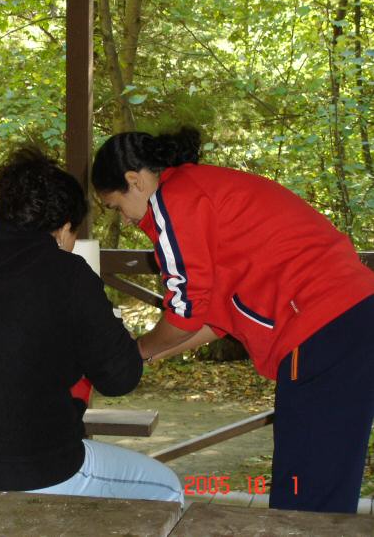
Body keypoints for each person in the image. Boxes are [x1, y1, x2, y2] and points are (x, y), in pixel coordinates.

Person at [92, 127, 374, 514]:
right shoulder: (202, 189)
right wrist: (146, 356)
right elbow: (212, 318)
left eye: (115, 207)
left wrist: (136, 349)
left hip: (319, 327)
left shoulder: (174, 201)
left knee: (304, 492)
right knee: (326, 481)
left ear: (134, 181)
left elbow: (186, 311)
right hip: (353, 318)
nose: (124, 220)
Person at [0, 147, 183, 504]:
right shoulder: (67, 273)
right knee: (166, 488)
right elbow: (119, 378)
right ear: (64, 228)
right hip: (33, 469)